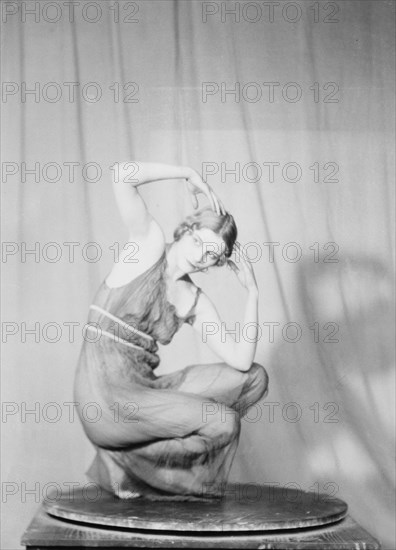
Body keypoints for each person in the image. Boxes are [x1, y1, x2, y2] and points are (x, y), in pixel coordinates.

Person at [73, 162, 269, 501]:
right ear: (186, 230)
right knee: (223, 423)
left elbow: (240, 361)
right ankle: (123, 459)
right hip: (103, 392)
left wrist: (252, 293)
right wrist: (187, 172)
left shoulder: (194, 298)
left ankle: (126, 458)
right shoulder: (146, 248)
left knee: (255, 378)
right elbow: (120, 175)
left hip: (143, 389)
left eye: (214, 256)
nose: (203, 258)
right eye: (200, 244)